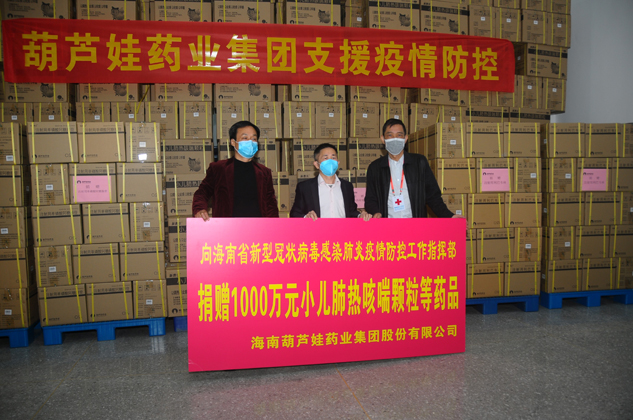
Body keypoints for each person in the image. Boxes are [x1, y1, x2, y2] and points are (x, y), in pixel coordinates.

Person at [364, 118, 462, 219]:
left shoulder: (419, 163)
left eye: (399, 135)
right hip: (387, 224)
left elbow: (433, 196)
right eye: (390, 135)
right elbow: (370, 199)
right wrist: (376, 212)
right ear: (382, 139)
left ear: (405, 138)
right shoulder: (375, 168)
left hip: (415, 224)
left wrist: (450, 216)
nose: (395, 139)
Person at [192, 121, 278, 219]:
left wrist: (274, 224)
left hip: (257, 226)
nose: (250, 142)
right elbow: (202, 192)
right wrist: (199, 209)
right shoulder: (218, 169)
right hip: (228, 226)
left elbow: (271, 204)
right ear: (233, 142)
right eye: (245, 138)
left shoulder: (264, 172)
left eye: (254, 139)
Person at [290, 143, 372, 221]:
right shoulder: (305, 187)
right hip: (317, 230)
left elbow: (351, 211)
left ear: (338, 162)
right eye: (325, 158)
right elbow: (294, 213)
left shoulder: (347, 186)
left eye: (333, 157)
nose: (330, 161)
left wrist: (360, 215)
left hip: (343, 230)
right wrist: (306, 217)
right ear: (316, 164)